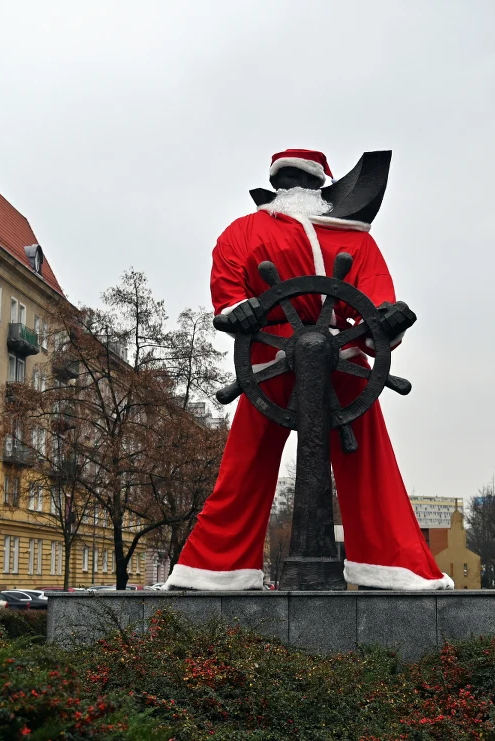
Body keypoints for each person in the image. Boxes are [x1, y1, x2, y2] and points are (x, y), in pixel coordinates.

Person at [164, 149, 452, 591]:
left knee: (282, 465)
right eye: (289, 179)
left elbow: (375, 303)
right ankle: (391, 564)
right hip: (281, 359)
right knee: (257, 465)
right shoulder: (260, 234)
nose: (294, 186)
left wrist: (386, 319)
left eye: (300, 179)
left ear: (319, 187)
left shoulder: (330, 237)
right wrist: (237, 312)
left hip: (317, 360)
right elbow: (229, 294)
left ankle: (216, 568)